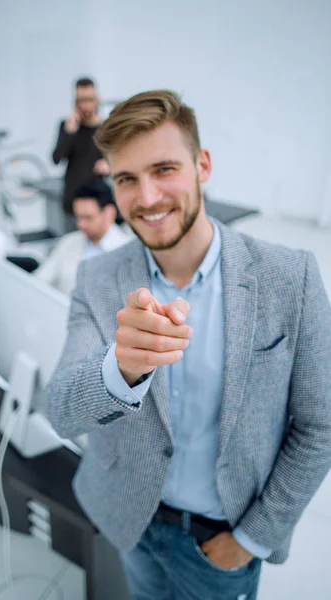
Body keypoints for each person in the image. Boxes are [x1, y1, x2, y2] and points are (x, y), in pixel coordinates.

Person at [47, 90, 331, 600]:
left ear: (202, 164)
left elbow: (320, 426)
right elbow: (63, 411)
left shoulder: (292, 277)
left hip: (221, 539)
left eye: (164, 169)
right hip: (130, 521)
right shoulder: (97, 277)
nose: (148, 197)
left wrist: (250, 539)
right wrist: (121, 368)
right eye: (127, 178)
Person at [34, 180, 129, 296]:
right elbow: (38, 281)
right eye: (78, 217)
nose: (80, 225)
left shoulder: (128, 251)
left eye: (87, 218)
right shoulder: (69, 242)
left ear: (109, 213)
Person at [52, 77, 110, 231]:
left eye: (89, 99)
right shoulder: (67, 126)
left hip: (97, 205)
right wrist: (69, 132)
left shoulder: (105, 128)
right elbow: (56, 159)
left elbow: (119, 159)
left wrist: (109, 164)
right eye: (81, 100)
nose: (85, 105)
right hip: (72, 203)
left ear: (97, 99)